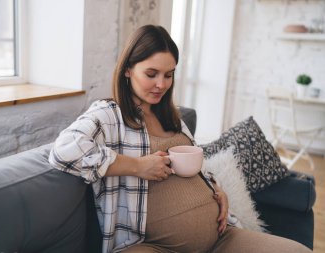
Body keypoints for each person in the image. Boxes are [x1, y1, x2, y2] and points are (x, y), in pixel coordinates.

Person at [49, 25, 311, 253]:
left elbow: (198, 163)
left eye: (169, 74)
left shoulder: (172, 117)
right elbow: (63, 151)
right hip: (150, 245)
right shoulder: (109, 115)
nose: (161, 84)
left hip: (222, 236)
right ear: (128, 69)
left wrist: (216, 189)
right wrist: (138, 166)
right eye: (151, 74)